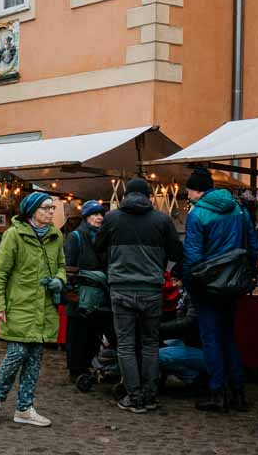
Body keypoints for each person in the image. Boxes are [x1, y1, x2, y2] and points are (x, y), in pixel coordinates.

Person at [94, 176, 182, 413]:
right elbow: (177, 252)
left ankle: (133, 396)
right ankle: (150, 395)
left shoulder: (112, 218)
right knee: (150, 343)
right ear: (148, 196)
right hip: (151, 289)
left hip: (121, 287)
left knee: (125, 344)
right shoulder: (162, 220)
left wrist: (114, 262)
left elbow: (97, 247)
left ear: (125, 196)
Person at [0, 191, 64, 427]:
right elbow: (0, 272)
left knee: (34, 359)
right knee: (16, 354)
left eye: (52, 208)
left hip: (44, 307)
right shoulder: (14, 234)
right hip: (20, 305)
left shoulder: (56, 235)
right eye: (46, 208)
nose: (51, 211)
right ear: (32, 211)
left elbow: (61, 265)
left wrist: (59, 280)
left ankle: (24, 408)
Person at [182, 167, 258, 412]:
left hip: (207, 286)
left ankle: (217, 392)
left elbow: (193, 256)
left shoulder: (197, 214)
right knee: (228, 335)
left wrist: (191, 284)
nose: (188, 195)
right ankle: (238, 392)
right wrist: (247, 274)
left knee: (211, 338)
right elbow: (254, 245)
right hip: (234, 284)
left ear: (198, 191)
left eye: (189, 190)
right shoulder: (238, 209)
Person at [64, 199, 115, 383]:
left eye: (101, 214)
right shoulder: (76, 237)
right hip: (80, 294)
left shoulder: (104, 237)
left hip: (99, 294)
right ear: (86, 217)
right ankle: (76, 370)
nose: (99, 218)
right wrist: (72, 293)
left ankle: (91, 366)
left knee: (94, 333)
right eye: (94, 214)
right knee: (78, 334)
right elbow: (68, 266)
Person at [158, 288, 207, 392]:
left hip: (205, 350)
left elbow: (190, 322)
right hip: (195, 345)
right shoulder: (186, 292)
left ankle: (196, 379)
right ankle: (194, 376)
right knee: (169, 344)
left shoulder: (194, 293)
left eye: (176, 280)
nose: (174, 284)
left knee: (158, 355)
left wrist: (157, 327)